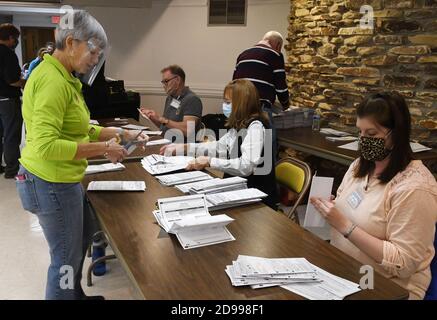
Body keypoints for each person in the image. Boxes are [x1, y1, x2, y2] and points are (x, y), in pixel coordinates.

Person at [16, 10, 148, 300]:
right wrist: (105, 148)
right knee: (64, 259)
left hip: (61, 179)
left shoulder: (64, 76)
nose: (95, 59)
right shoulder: (52, 81)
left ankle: (74, 296)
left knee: (77, 246)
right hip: (49, 182)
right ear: (72, 42)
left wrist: (117, 135)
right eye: (93, 50)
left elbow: (77, 130)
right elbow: (47, 146)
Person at [310, 92, 437, 300]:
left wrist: (344, 225)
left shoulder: (415, 188)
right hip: (345, 272)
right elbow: (348, 205)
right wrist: (332, 207)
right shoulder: (360, 166)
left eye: (372, 134)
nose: (364, 141)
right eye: (360, 133)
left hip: (390, 288)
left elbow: (403, 264)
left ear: (396, 135)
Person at [160, 79, 278, 209]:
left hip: (257, 199)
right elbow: (219, 147)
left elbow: (246, 166)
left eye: (228, 102)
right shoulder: (240, 124)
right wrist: (185, 147)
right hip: (239, 190)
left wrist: (210, 162)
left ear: (241, 104)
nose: (224, 106)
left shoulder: (256, 126)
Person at [233, 31, 290, 158]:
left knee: (242, 143)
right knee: (267, 145)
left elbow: (234, 83)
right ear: (278, 45)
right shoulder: (275, 55)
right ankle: (266, 175)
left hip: (240, 106)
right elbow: (281, 86)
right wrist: (286, 104)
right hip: (260, 107)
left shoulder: (243, 54)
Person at [140, 65, 203, 139]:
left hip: (181, 147)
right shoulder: (170, 98)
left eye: (166, 81)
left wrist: (162, 119)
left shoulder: (192, 100)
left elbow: (188, 131)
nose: (164, 85)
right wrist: (153, 117)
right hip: (165, 141)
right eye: (163, 82)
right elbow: (165, 127)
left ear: (177, 80)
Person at [0, 23, 25, 178]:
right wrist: (26, 82)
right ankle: (12, 169)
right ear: (10, 38)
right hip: (8, 100)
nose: (15, 42)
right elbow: (13, 80)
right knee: (11, 135)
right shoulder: (8, 54)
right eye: (15, 39)